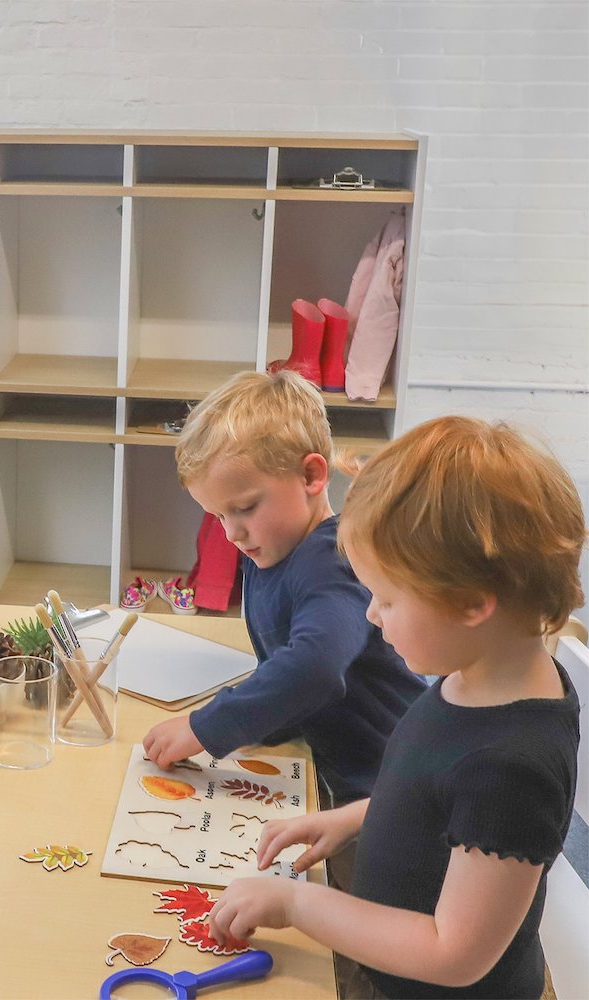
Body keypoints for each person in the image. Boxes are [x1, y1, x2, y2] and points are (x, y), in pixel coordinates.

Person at [208, 416, 584, 999]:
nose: (370, 615)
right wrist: (352, 819)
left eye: (386, 599)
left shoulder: (511, 767)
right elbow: (437, 793)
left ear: (470, 604)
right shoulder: (478, 674)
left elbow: (453, 955)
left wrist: (297, 904)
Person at [143, 370, 425, 811]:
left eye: (245, 508)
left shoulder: (332, 562)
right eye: (218, 516)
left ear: (311, 475)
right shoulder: (271, 547)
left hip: (386, 787)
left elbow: (315, 667)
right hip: (329, 764)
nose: (232, 533)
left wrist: (205, 727)